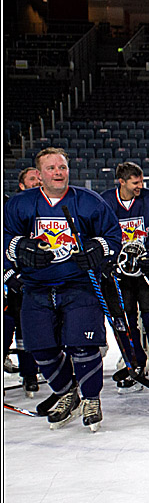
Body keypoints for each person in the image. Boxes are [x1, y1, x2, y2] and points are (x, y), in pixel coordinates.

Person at [3, 147, 122, 429]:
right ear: (39, 174)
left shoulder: (88, 201)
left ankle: (91, 397)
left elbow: (113, 236)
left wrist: (97, 249)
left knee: (83, 345)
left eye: (62, 167)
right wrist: (19, 248)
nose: (58, 172)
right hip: (36, 287)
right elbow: (5, 237)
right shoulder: (20, 204)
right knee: (41, 349)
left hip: (78, 286)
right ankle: (68, 393)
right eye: (51, 168)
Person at [101, 161, 149, 390]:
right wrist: (106, 259)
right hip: (119, 275)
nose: (140, 186)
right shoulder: (105, 202)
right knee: (125, 321)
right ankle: (136, 363)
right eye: (135, 182)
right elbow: (97, 233)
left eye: (142, 181)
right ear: (121, 182)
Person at [3, 167, 43, 396]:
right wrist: (9, 274)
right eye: (32, 179)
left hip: (41, 276)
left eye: (39, 178)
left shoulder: (49, 206)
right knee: (15, 323)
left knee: (32, 328)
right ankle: (28, 373)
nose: (37, 182)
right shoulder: (14, 207)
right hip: (18, 278)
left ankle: (35, 371)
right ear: (21, 185)